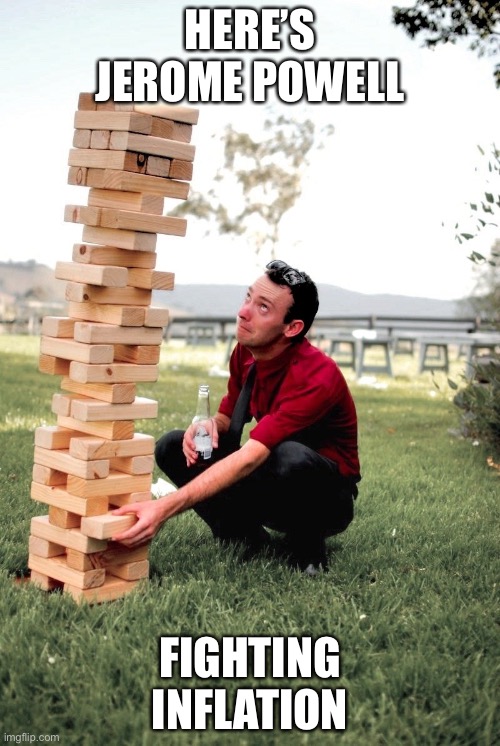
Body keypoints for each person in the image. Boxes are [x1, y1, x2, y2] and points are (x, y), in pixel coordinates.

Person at [113, 260, 361, 575]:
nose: (243, 312)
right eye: (248, 298)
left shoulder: (316, 374)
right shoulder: (246, 353)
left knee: (291, 456)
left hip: (326, 498)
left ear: (292, 328)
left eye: (263, 308)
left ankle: (309, 553)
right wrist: (207, 427)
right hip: (271, 473)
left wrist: (163, 508)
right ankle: (242, 536)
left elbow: (250, 457)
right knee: (173, 445)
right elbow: (227, 418)